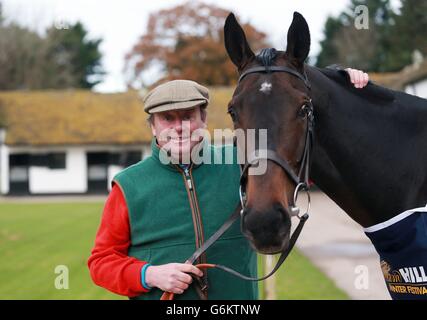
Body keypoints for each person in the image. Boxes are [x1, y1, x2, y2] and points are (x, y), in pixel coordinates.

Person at [88, 68, 369, 300]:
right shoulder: (128, 185)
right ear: (153, 127)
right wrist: (149, 274)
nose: (179, 126)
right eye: (168, 119)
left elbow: (295, 126)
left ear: (204, 120)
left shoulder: (243, 159)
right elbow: (100, 262)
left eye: (188, 116)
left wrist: (343, 81)